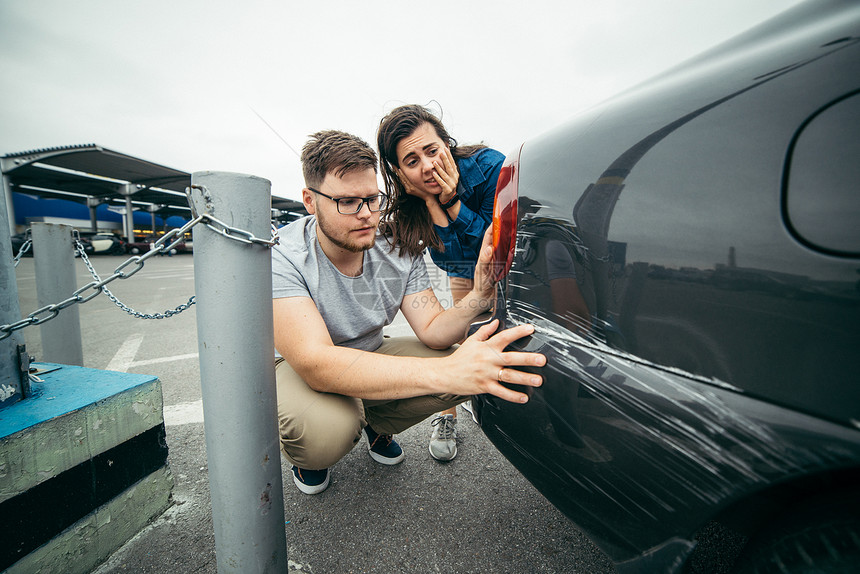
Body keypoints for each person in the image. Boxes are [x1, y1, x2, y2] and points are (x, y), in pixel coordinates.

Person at [272, 130, 545, 495]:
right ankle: (314, 456)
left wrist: (480, 293)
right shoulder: (282, 254)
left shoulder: (395, 246)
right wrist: (447, 373)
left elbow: (432, 328)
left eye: (372, 199)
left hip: (368, 351)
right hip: (300, 369)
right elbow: (317, 363)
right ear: (310, 200)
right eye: (348, 202)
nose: (366, 214)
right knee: (325, 433)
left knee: (468, 360)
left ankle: (372, 422)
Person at [377, 104, 505, 461]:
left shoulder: (490, 165)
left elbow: (496, 248)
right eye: (412, 161)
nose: (428, 166)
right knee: (454, 332)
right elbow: (453, 262)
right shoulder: (411, 201)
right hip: (462, 269)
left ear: (446, 143)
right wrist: (431, 204)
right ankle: (446, 414)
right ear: (398, 170)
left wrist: (451, 202)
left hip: (512, 267)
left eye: (432, 150)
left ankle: (496, 404)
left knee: (503, 331)